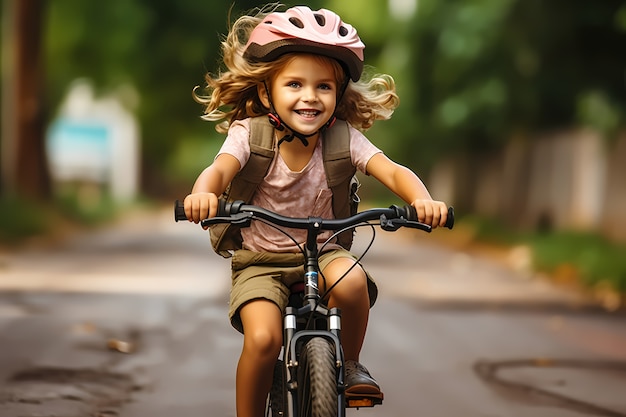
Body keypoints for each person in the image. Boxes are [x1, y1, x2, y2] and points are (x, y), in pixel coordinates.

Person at [183, 4, 449, 417]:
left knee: (352, 282)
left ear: (339, 94)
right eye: (294, 84)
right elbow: (219, 170)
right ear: (266, 90)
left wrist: (422, 200)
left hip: (324, 251)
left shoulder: (343, 138)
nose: (310, 97)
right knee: (263, 340)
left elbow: (392, 171)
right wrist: (203, 195)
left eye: (324, 86)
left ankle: (353, 363)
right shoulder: (249, 134)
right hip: (260, 261)